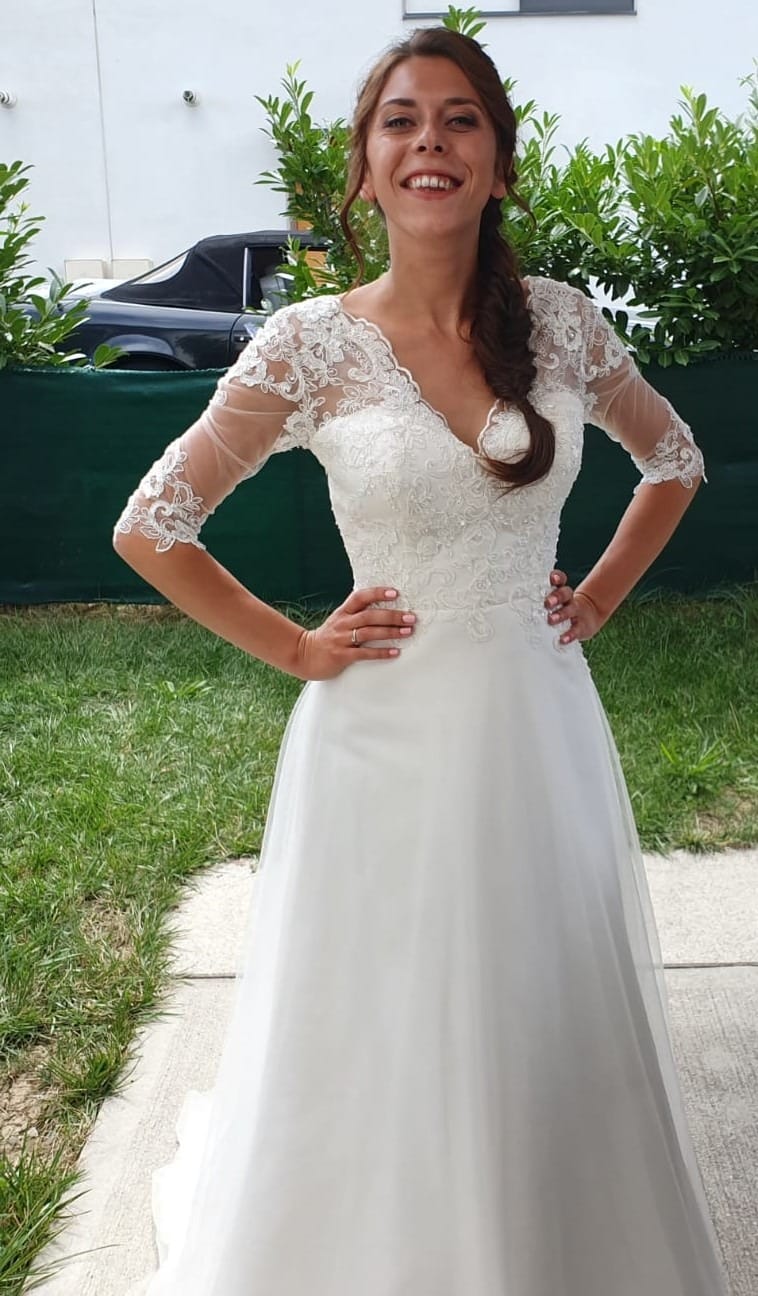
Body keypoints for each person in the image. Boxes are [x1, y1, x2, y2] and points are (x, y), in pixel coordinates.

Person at [113, 26, 733, 1296]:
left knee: (539, 998)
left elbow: (672, 460)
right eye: (399, 120)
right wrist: (295, 646)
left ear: (497, 160)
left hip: (533, 723)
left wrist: (596, 598)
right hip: (378, 745)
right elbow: (152, 525)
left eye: (458, 120)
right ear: (364, 163)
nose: (428, 143)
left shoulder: (560, 324)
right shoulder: (307, 343)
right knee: (380, 1016)